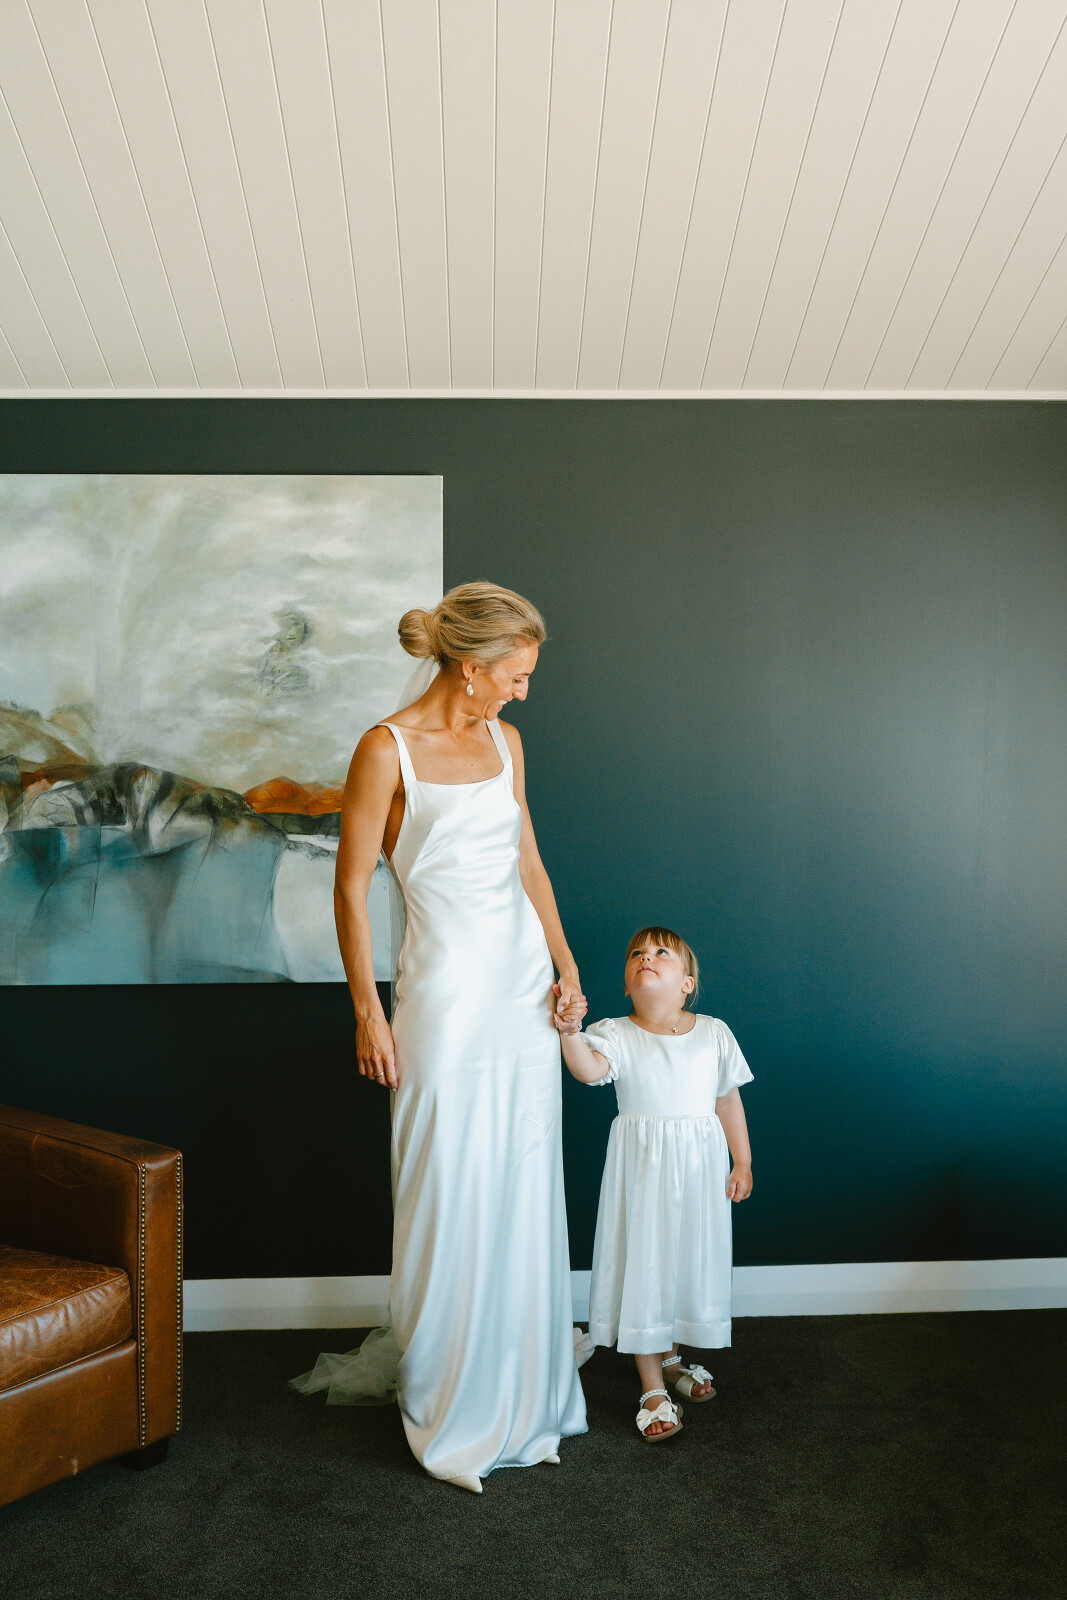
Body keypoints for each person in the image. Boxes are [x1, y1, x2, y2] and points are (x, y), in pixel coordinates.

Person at [292, 582, 588, 1491]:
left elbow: (527, 861)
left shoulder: (507, 742)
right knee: (444, 1186)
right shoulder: (384, 749)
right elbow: (348, 889)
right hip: (444, 1003)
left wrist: (565, 965)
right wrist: (366, 1010)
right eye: (516, 675)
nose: (523, 691)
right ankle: (450, 1397)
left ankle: (524, 1386)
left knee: (522, 1178)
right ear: (470, 668)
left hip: (521, 995)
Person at [555, 926, 753, 1443]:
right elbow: (587, 1070)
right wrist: (570, 1033)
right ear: (626, 985)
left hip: (699, 1173)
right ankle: (651, 1385)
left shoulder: (714, 1033)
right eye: (637, 954)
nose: (647, 958)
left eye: (661, 953)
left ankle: (669, 1358)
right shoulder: (616, 1032)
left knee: (682, 1261)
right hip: (643, 1174)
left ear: (687, 983)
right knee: (646, 1264)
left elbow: (727, 1099)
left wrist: (742, 1160)